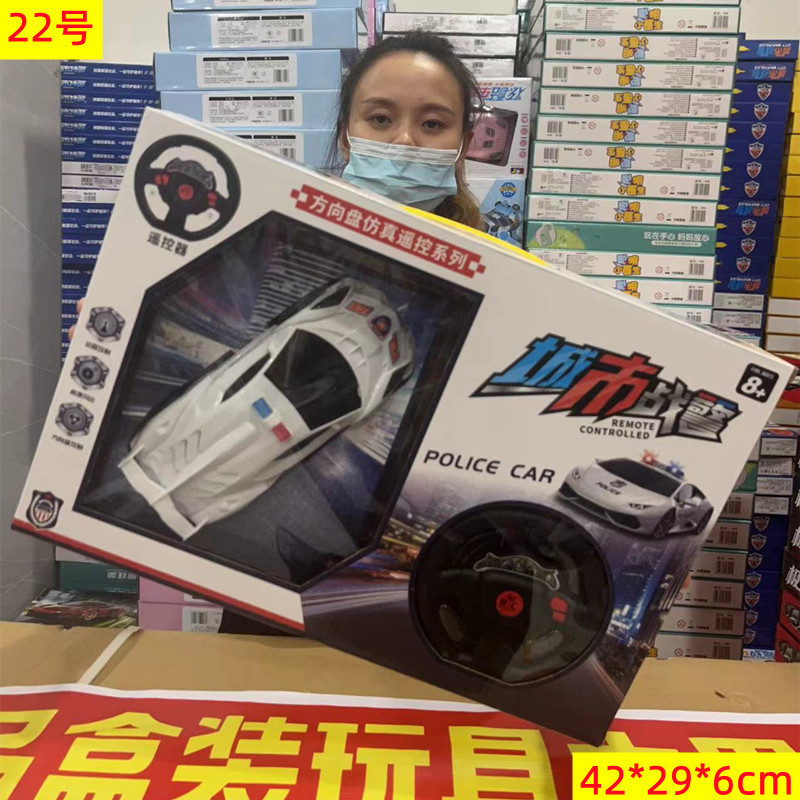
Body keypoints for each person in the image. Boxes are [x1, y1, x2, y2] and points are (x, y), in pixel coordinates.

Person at [66, 33, 483, 634]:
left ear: (463, 145)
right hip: (256, 557)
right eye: (380, 118)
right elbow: (180, 314)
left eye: (433, 124)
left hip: (397, 570)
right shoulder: (276, 222)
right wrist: (116, 330)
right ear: (346, 133)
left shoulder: (504, 281)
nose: (404, 142)